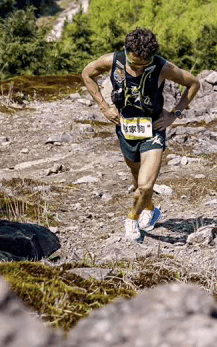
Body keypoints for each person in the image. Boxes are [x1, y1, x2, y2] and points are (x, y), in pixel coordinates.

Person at [81, 28, 201, 243]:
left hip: (153, 130)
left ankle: (132, 218)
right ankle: (151, 209)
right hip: (126, 129)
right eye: (134, 64)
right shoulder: (113, 60)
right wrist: (104, 106)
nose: (137, 69)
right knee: (138, 184)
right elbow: (87, 74)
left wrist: (175, 114)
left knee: (145, 185)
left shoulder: (163, 66)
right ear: (127, 51)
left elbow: (193, 83)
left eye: (143, 65)